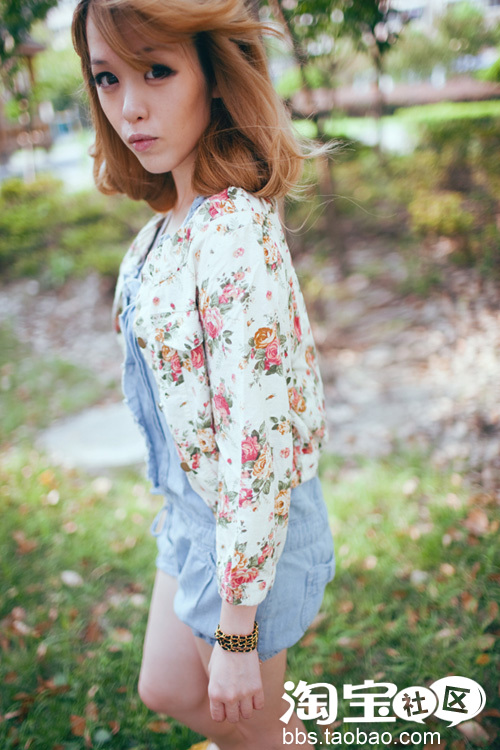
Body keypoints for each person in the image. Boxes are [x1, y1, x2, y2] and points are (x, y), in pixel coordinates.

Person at [72, 1, 335, 748]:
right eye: (107, 78)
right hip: (192, 516)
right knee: (165, 687)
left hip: (250, 534)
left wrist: (238, 631)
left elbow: (258, 436)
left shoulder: (232, 229)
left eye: (157, 70)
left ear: (214, 76)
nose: (129, 105)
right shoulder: (163, 233)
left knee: (251, 733)